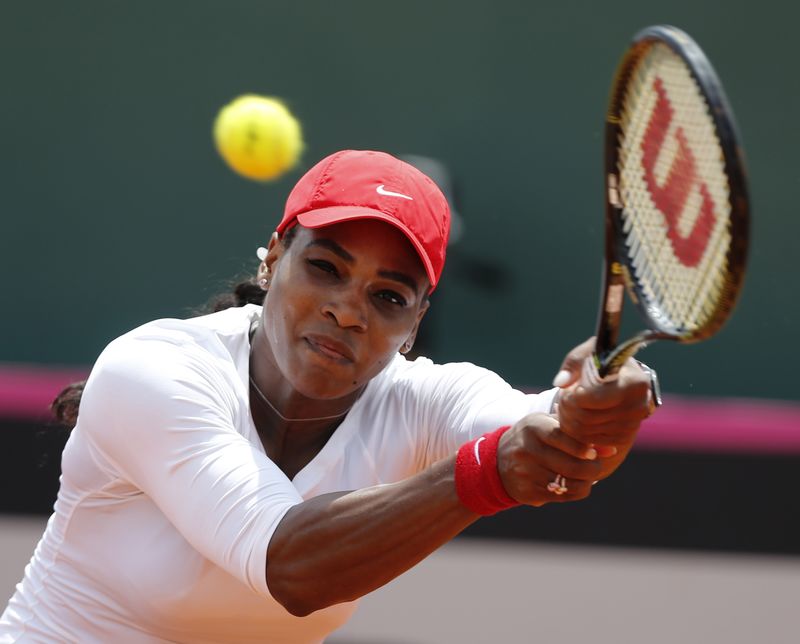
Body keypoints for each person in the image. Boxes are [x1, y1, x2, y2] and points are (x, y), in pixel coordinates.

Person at [0, 150, 655, 643]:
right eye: (326, 267)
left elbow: (550, 432)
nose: (348, 311)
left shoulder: (422, 398)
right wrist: (491, 473)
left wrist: (594, 414)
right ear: (274, 257)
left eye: (388, 296)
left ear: (416, 324)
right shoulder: (156, 369)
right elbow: (294, 566)